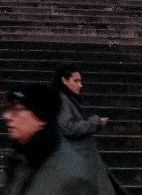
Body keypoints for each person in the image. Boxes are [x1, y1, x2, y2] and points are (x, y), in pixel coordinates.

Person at [1, 82, 96, 195]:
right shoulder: (23, 158)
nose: (7, 116)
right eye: (9, 109)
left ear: (41, 117)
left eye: (18, 109)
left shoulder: (70, 175)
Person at [53, 66, 121, 195]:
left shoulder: (67, 99)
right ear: (64, 80)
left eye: (80, 81)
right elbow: (68, 128)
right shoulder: (63, 100)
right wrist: (94, 122)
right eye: (76, 81)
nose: (80, 85)